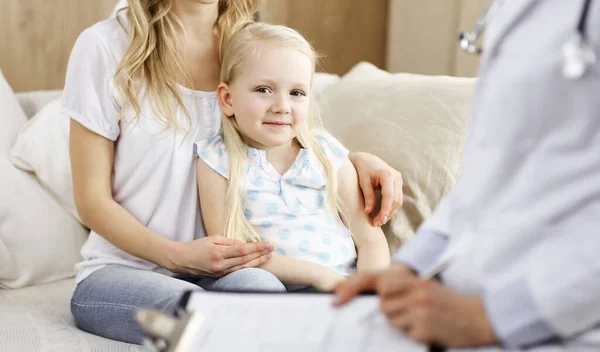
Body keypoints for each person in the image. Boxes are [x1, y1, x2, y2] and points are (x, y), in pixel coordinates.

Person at [63, 0, 404, 345]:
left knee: (259, 290)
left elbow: (288, 133)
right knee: (231, 312)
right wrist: (178, 256)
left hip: (227, 274)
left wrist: (354, 160)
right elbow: (92, 201)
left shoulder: (249, 45)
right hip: (127, 272)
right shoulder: (106, 47)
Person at [334, 0, 600, 350]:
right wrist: (406, 268)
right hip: (466, 303)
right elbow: (489, 170)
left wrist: (495, 317)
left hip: (564, 321)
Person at [195, 22, 391, 293]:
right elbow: (234, 254)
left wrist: (367, 291)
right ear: (227, 99)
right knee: (250, 285)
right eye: (263, 90)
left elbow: (370, 239)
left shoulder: (327, 155)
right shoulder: (217, 160)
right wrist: (317, 275)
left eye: (296, 93)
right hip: (273, 288)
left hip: (343, 289)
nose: (282, 107)